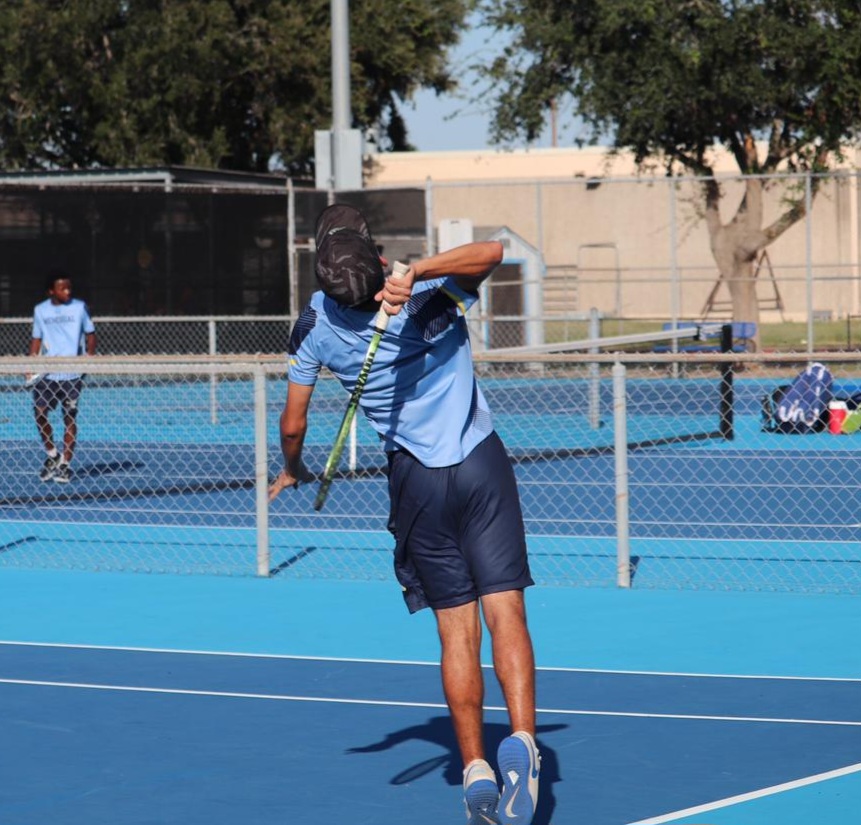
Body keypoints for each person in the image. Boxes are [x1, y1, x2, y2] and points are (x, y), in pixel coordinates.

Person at [268, 204, 540, 825]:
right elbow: (493, 252)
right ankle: (521, 741)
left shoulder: (313, 327)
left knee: (456, 633)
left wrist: (293, 466)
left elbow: (293, 422)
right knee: (506, 612)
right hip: (481, 464)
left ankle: (474, 769)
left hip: (415, 482)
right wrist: (419, 272)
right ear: (374, 249)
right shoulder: (431, 298)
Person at [28, 269, 97, 483]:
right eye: (62, 287)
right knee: (39, 413)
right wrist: (30, 365)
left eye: (69, 286)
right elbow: (36, 340)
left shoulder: (79, 308)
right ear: (51, 291)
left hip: (72, 374)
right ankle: (53, 456)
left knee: (69, 418)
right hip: (48, 374)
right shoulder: (40, 311)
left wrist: (88, 359)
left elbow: (91, 334)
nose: (67, 290)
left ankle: (65, 464)